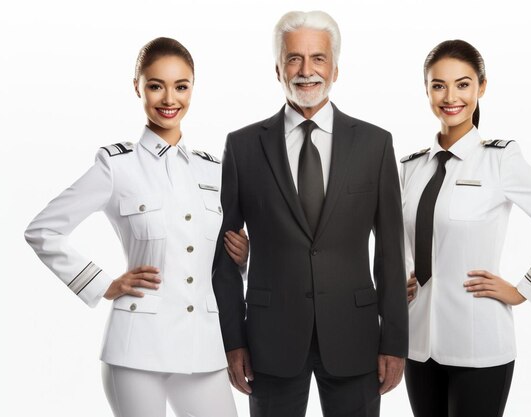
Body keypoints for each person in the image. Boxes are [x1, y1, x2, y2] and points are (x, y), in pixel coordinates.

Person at [24, 37, 249, 417]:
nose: (169, 99)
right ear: (137, 87)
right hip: (136, 348)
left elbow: (216, 262)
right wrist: (102, 284)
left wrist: (246, 259)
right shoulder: (118, 165)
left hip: (202, 347)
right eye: (155, 85)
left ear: (193, 88)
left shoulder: (213, 169)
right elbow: (43, 230)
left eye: (181, 86)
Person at [212, 10, 408, 417]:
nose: (306, 71)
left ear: (335, 68)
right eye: (294, 58)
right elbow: (223, 259)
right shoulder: (243, 146)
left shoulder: (375, 144)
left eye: (318, 58)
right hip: (269, 340)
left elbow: (390, 252)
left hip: (355, 337)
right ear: (278, 68)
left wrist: (394, 341)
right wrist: (233, 339)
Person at [400, 39, 531, 417]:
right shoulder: (410, 167)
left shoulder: (499, 160)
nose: (450, 96)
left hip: (479, 344)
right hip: (418, 345)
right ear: (427, 91)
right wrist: (398, 281)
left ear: (481, 87)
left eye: (463, 84)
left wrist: (523, 290)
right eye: (439, 85)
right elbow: (396, 240)